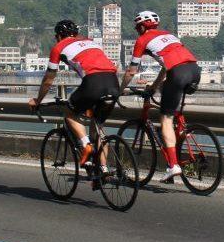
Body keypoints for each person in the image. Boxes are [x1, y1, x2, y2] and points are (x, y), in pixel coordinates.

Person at [120, 10, 201, 183]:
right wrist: (154, 86)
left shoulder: (142, 40)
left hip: (178, 73)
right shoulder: (169, 35)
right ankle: (180, 132)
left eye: (137, 28)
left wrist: (120, 89)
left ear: (142, 26)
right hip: (194, 70)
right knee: (167, 93)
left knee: (165, 118)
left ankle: (173, 165)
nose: (137, 31)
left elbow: (131, 71)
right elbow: (166, 67)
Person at [34, 19, 120, 168]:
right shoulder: (91, 42)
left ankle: (86, 145)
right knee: (98, 127)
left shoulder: (58, 47)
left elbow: (48, 79)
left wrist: (37, 100)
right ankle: (103, 169)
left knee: (69, 112)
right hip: (113, 82)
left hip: (93, 83)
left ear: (59, 36)